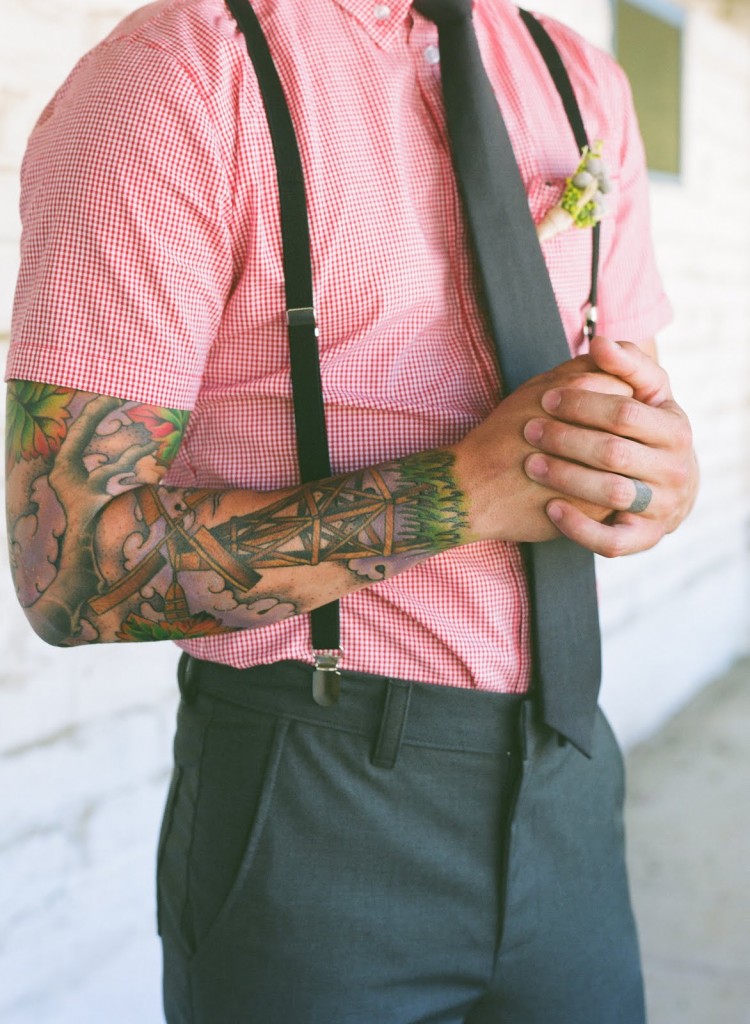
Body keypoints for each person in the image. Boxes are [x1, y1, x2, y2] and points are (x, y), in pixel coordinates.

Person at [5, 0, 697, 1020]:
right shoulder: (186, 69)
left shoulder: (581, 81)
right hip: (310, 798)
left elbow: (636, 394)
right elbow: (67, 570)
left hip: (571, 780)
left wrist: (654, 470)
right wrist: (455, 494)